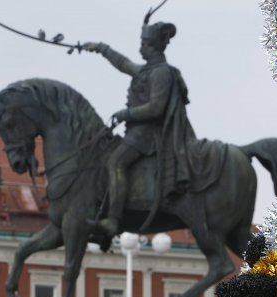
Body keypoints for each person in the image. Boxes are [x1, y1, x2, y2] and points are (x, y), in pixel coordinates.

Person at [83, 20, 196, 236]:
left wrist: (125, 114)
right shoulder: (147, 70)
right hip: (138, 132)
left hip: (149, 135)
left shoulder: (160, 73)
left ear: (152, 46)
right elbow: (124, 63)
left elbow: (156, 108)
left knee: (116, 162)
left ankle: (114, 220)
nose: (140, 48)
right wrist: (101, 48)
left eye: (143, 43)